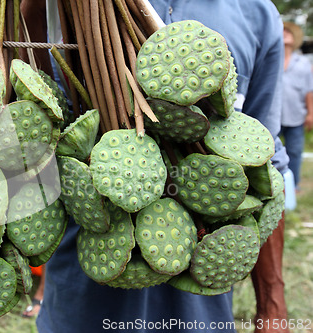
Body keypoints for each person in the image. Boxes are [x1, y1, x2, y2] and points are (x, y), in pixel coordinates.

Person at [21, 1, 290, 332]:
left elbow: (266, 167)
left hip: (200, 312)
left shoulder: (257, 13)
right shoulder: (56, 6)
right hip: (84, 298)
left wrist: (272, 303)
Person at [280, 22, 313, 192]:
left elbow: (309, 91)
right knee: (270, 150)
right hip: (275, 114)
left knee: (294, 151)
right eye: (282, 31)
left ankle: (294, 186)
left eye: (288, 32)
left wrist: (310, 113)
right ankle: (273, 185)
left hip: (296, 114)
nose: (284, 33)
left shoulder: (303, 63)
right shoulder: (272, 59)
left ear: (295, 38)